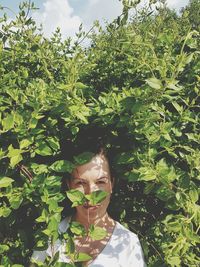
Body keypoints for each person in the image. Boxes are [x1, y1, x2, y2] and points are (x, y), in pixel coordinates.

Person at [31, 133, 146, 266]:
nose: (90, 193)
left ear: (111, 185)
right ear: (69, 185)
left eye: (100, 182)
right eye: (81, 183)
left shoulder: (128, 243)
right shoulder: (51, 235)